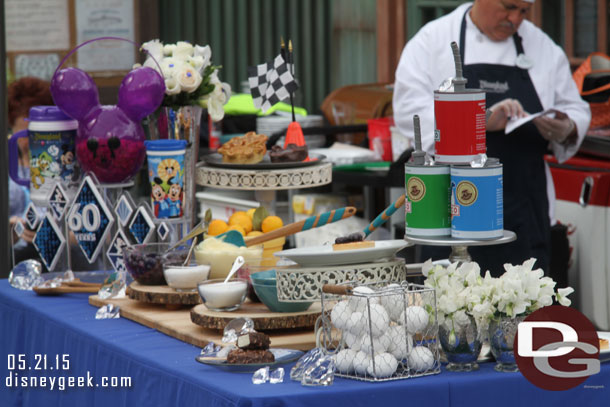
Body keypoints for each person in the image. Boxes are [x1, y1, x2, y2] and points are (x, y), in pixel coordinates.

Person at [393, 0, 591, 276]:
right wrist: (479, 121)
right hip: (450, 213)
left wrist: (566, 127)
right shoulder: (433, 40)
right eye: (508, 7)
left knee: (524, 307)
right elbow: (409, 114)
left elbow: (576, 109)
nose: (515, 19)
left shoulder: (542, 47)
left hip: (525, 209)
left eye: (523, 11)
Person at [7, 77, 54, 265]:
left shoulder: (62, 164)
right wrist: (10, 230)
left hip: (59, 260)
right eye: (24, 134)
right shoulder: (8, 162)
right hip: (14, 261)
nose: (29, 142)